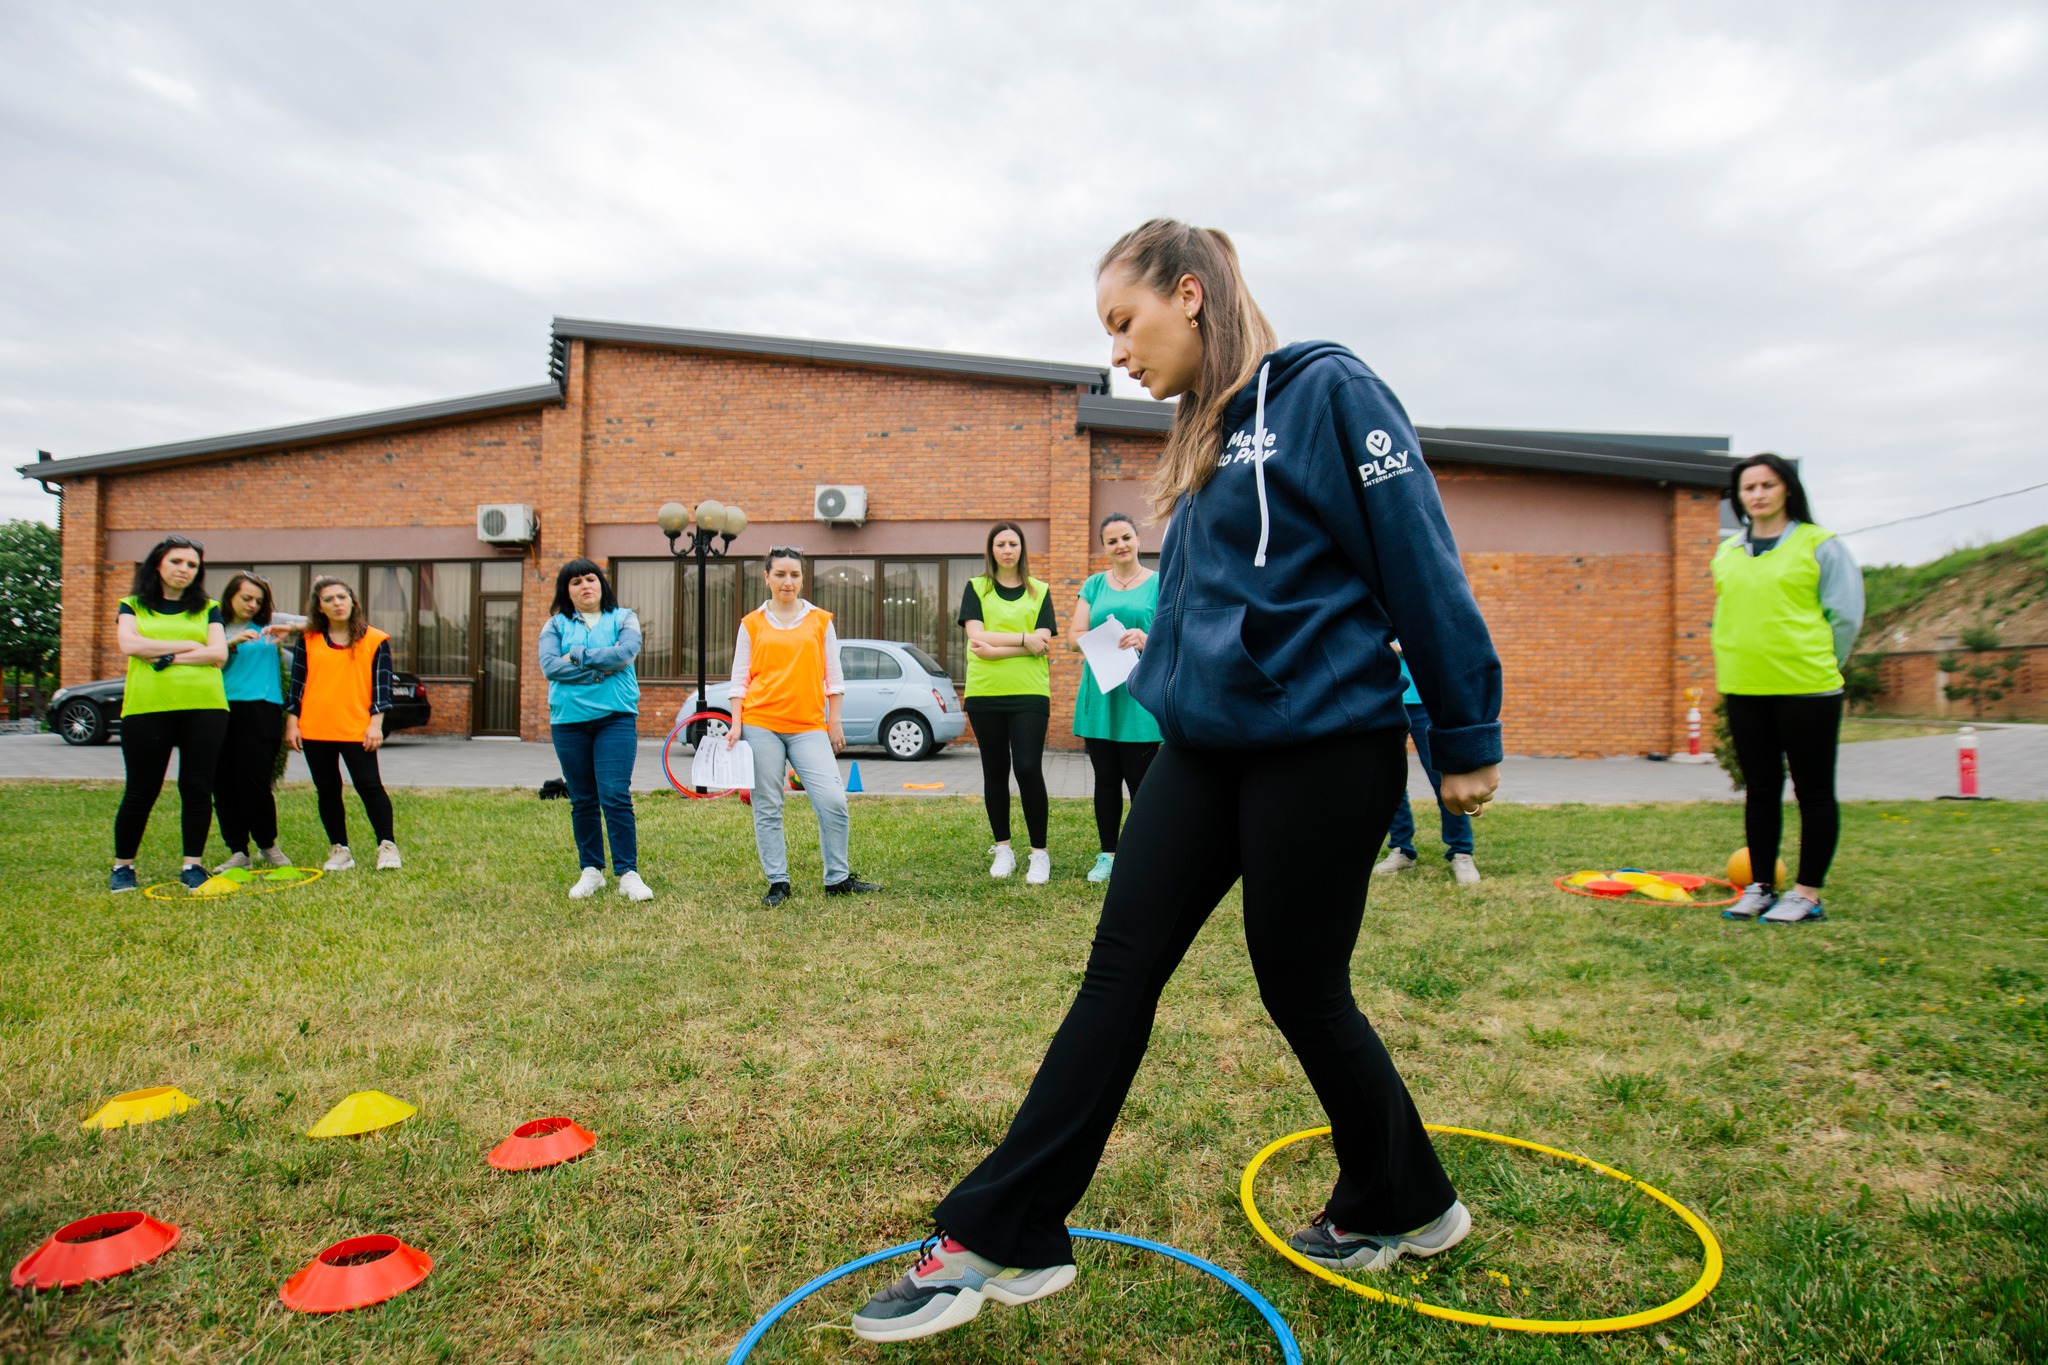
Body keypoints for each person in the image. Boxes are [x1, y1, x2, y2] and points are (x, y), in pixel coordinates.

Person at [853, 218, 1503, 1344]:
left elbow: (1417, 555)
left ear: (1189, 294)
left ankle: (1407, 1202)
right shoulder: (1198, 435)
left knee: (1301, 988)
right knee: (1117, 968)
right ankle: (1002, 1236)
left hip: (1322, 742)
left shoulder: (1327, 392)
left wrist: (1463, 729)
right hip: (1204, 748)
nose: (1116, 351)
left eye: (1123, 322)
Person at [1712, 453, 1863, 925]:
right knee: (1760, 790)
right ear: (1740, 498)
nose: (1757, 494)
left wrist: (1821, 664)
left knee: (1813, 791)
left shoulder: (1822, 546)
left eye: (1767, 485)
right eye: (1748, 487)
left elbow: (1846, 617)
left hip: (1807, 689)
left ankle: (1806, 893)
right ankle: (1759, 886)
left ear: (1788, 490)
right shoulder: (1727, 553)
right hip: (1744, 687)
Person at [726, 547, 879, 906]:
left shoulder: (820, 620)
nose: (787, 582)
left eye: (794, 575)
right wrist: (736, 724)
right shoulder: (751, 623)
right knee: (767, 804)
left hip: (809, 725)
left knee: (833, 800)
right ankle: (778, 882)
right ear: (766, 578)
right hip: (760, 722)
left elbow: (834, 677)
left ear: (802, 579)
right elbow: (739, 680)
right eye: (779, 574)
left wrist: (834, 722)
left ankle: (837, 878)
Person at [109, 536, 230, 892]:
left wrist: (160, 656)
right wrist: (190, 645)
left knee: (196, 788)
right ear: (158, 565)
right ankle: (122, 867)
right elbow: (129, 645)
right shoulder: (131, 605)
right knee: (141, 790)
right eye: (177, 562)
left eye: (192, 565)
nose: (184, 570)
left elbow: (219, 654)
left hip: (205, 708)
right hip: (147, 708)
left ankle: (192, 865)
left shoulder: (208, 607)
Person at [538, 558, 652, 901]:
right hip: (568, 722)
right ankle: (591, 870)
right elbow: (549, 666)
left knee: (615, 794)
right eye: (576, 582)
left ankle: (628, 873)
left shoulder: (624, 618)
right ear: (567, 591)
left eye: (591, 579)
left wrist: (577, 655)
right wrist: (597, 671)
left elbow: (625, 653)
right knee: (583, 798)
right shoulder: (554, 625)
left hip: (615, 719)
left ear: (602, 584)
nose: (585, 586)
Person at [961, 520, 1058, 884]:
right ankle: (1003, 849)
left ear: (1021, 549)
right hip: (985, 693)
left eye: (1012, 543)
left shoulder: (1040, 591)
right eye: (1000, 544)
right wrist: (1023, 640)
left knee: (1029, 767)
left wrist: (997, 649)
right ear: (992, 550)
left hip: (1031, 692)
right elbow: (976, 641)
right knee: (995, 770)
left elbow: (1044, 642)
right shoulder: (977, 588)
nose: (1006, 550)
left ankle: (1039, 854)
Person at [1066, 511, 1161, 884]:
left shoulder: (1159, 583)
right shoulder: (1093, 585)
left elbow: (1174, 635)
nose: (1120, 545)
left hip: (1139, 695)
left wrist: (1145, 639)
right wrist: (1099, 636)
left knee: (1142, 782)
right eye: (1112, 541)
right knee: (1105, 780)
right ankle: (1108, 855)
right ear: (1104, 547)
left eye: (1126, 537)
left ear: (1138, 539)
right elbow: (1074, 637)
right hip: (1100, 694)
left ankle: (1142, 856)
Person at [285, 575, 401, 872]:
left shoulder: (375, 639)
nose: (337, 603)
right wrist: (292, 722)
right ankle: (340, 849)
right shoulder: (308, 639)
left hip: (357, 729)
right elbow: (297, 684)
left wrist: (375, 725)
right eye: (328, 599)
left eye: (342, 597)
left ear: (352, 600)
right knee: (327, 789)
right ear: (319, 607)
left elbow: (382, 688)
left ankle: (387, 845)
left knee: (370, 787)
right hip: (315, 728)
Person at [1373, 645, 1480, 884]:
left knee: (1444, 779)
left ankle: (1461, 852)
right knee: (1390, 781)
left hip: (1425, 701)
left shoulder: (1418, 608)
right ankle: (1401, 849)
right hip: (1385, 700)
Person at [212, 572, 294, 871]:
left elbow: (319, 620)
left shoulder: (268, 623)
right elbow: (203, 658)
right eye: (246, 598)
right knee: (222, 785)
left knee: (255, 782)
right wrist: (230, 642)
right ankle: (238, 851)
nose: (252, 604)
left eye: (258, 600)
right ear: (230, 596)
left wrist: (289, 627)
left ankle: (267, 845)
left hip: (262, 709)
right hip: (218, 708)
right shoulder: (212, 627)